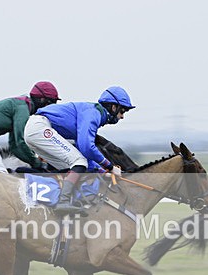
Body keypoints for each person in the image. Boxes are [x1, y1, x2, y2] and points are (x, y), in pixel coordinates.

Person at [24, 86, 135, 215]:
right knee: (79, 162)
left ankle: (67, 203)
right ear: (113, 107)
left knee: (76, 167)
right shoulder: (94, 114)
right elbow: (87, 147)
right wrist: (109, 166)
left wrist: (102, 171)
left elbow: (83, 152)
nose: (122, 117)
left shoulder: (92, 114)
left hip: (36, 129)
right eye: (122, 111)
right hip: (39, 127)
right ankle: (63, 202)